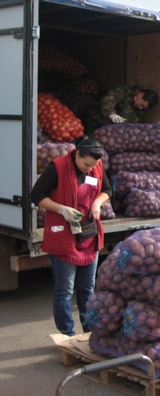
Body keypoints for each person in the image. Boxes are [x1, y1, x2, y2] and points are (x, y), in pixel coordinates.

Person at [31, 136, 112, 336]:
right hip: (63, 236)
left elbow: (107, 189)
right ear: (77, 155)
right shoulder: (57, 168)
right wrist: (61, 209)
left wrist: (97, 203)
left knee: (87, 289)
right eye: (86, 164)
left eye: (93, 165)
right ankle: (67, 334)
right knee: (65, 291)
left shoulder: (96, 167)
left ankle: (89, 331)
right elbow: (37, 195)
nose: (89, 168)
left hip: (88, 236)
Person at [82, 85, 158, 133]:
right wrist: (112, 114)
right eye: (141, 104)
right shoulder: (123, 91)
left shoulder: (139, 110)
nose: (141, 108)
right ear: (141, 95)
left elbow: (131, 125)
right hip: (94, 122)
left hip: (109, 132)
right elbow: (107, 102)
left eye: (143, 107)